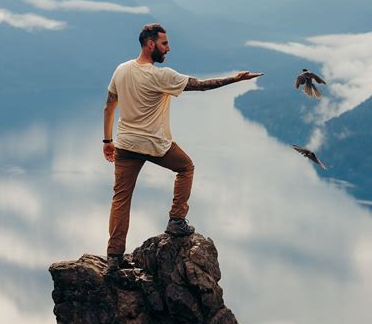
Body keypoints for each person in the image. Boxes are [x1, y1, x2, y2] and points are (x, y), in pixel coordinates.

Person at [103, 22, 263, 272]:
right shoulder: (161, 76)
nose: (168, 48)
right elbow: (200, 85)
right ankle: (177, 219)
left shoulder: (121, 70)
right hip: (154, 144)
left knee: (121, 199)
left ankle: (114, 257)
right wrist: (235, 79)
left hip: (125, 144)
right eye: (164, 43)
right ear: (151, 44)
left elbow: (109, 105)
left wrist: (107, 141)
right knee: (186, 167)